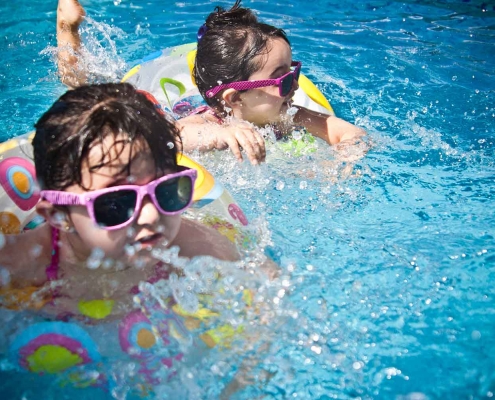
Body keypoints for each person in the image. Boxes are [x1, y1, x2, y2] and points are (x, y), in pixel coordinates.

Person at [0, 82, 239, 319]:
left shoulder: (198, 250)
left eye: (166, 190)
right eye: (116, 203)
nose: (151, 215)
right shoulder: (19, 265)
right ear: (58, 215)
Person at [55, 0, 366, 166]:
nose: (295, 87)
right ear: (233, 99)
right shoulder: (208, 119)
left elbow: (348, 133)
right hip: (171, 110)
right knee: (86, 96)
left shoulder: (291, 116)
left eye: (294, 73)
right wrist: (220, 134)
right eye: (282, 81)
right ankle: (67, 27)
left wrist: (345, 158)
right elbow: (171, 138)